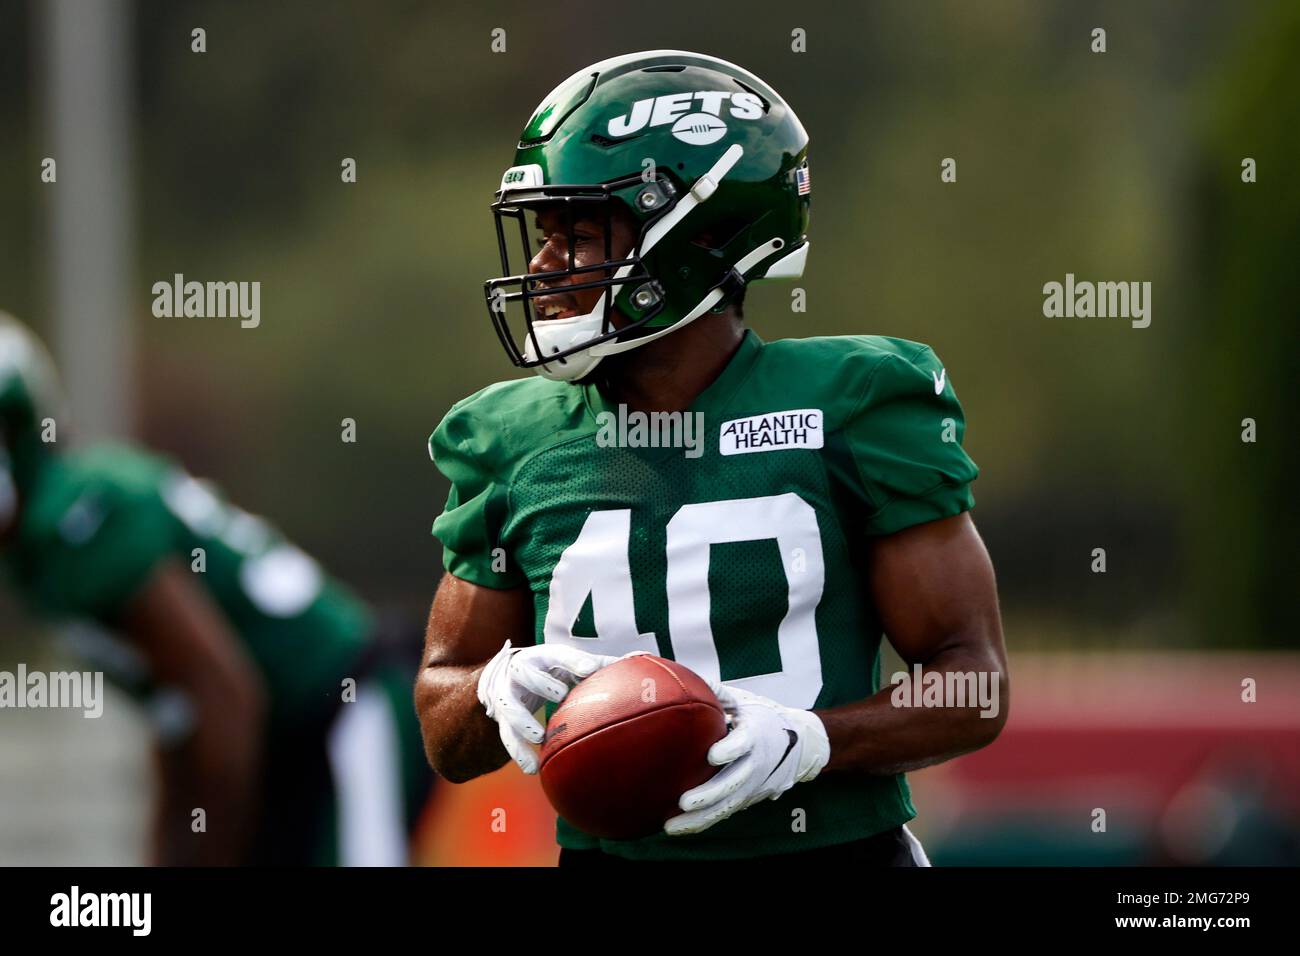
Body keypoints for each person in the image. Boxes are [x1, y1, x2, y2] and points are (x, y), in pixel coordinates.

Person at [417, 50, 1008, 865]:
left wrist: (813, 742)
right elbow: (445, 734)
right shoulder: (510, 439)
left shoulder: (855, 404)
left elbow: (975, 685)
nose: (544, 267)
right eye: (543, 235)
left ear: (692, 236)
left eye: (580, 233)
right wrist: (490, 691)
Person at [0, 311, 431, 865]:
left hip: (343, 706)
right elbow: (182, 714)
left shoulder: (79, 520)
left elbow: (225, 695)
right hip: (279, 737)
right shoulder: (43, 549)